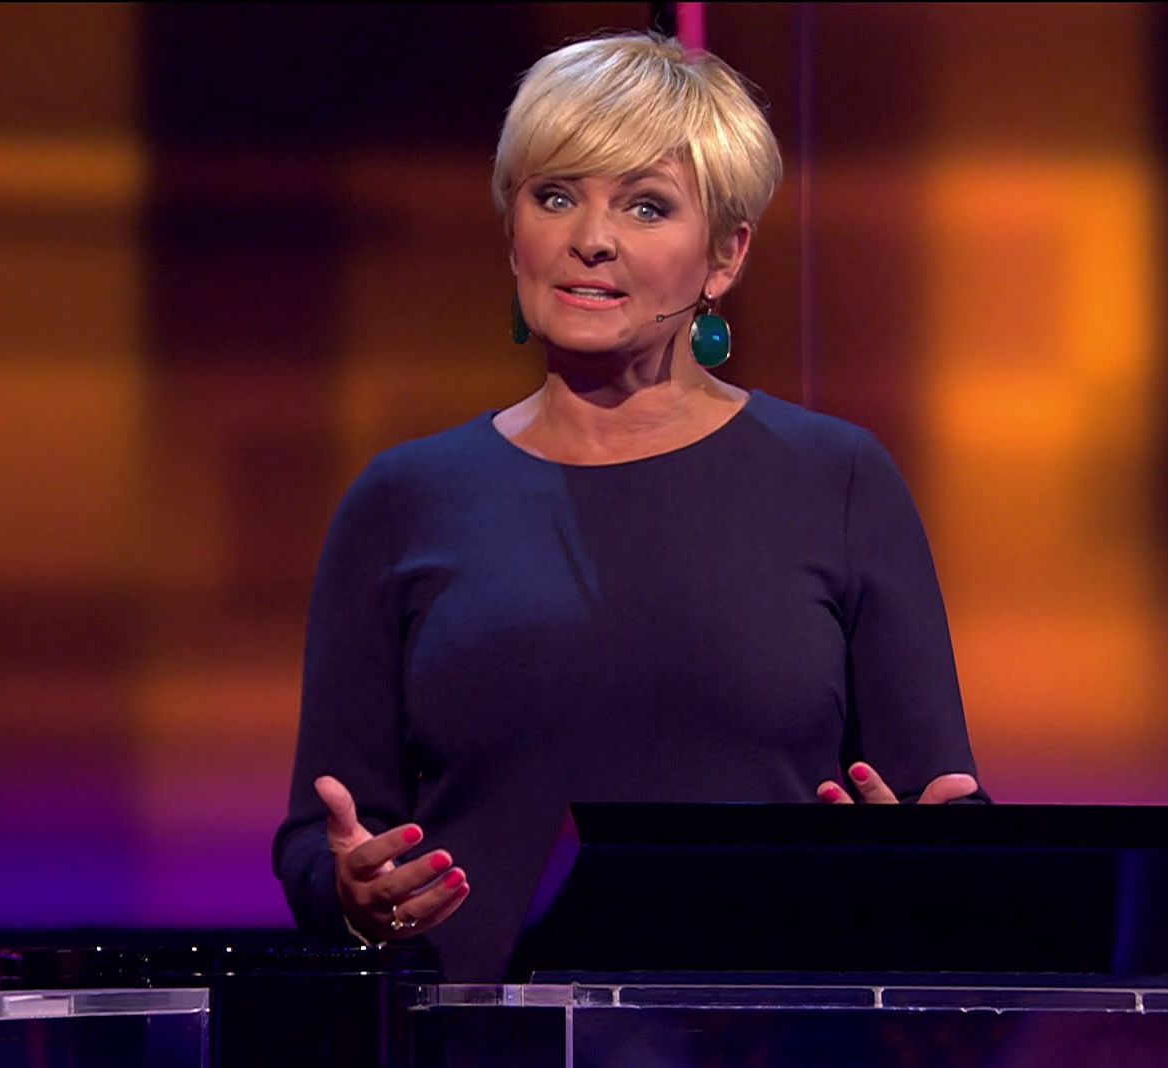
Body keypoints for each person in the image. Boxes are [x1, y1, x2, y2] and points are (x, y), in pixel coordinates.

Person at [271, 30, 986, 984]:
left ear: (724, 257)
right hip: (483, 1035)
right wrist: (353, 894)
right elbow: (319, 839)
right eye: (554, 196)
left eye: (646, 206)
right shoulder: (403, 500)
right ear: (513, 231)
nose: (591, 238)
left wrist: (927, 865)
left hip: (760, 1034)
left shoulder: (837, 478)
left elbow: (943, 806)